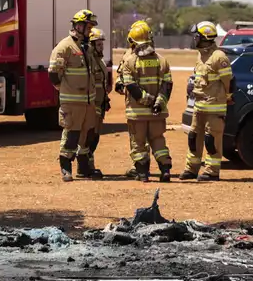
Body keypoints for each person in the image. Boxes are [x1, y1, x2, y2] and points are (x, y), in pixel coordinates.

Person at [48, 10, 106, 182]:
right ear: (79, 26)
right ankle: (66, 168)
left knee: (87, 135)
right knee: (71, 135)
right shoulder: (64, 47)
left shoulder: (86, 47)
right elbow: (53, 74)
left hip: (88, 102)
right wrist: (65, 90)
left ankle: (84, 168)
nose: (90, 31)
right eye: (88, 27)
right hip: (72, 102)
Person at [118, 20, 174, 182]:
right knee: (158, 141)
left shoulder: (129, 62)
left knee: (139, 144)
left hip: (137, 113)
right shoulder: (162, 60)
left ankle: (143, 174)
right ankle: (165, 170)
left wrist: (146, 100)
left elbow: (130, 86)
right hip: (158, 112)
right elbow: (167, 84)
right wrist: (158, 102)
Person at [181, 21, 235, 182]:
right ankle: (191, 169)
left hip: (214, 107)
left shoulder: (219, 57)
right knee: (193, 138)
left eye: (196, 36)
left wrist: (227, 98)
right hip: (199, 106)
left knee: (211, 140)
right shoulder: (201, 55)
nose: (194, 39)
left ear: (203, 38)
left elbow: (229, 82)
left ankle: (212, 171)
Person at [83, 27, 113, 177]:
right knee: (89, 136)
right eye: (98, 44)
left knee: (95, 136)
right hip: (92, 105)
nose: (101, 47)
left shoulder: (99, 60)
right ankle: (85, 167)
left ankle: (89, 165)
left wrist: (105, 99)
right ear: (91, 45)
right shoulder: (89, 61)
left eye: (102, 44)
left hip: (100, 104)